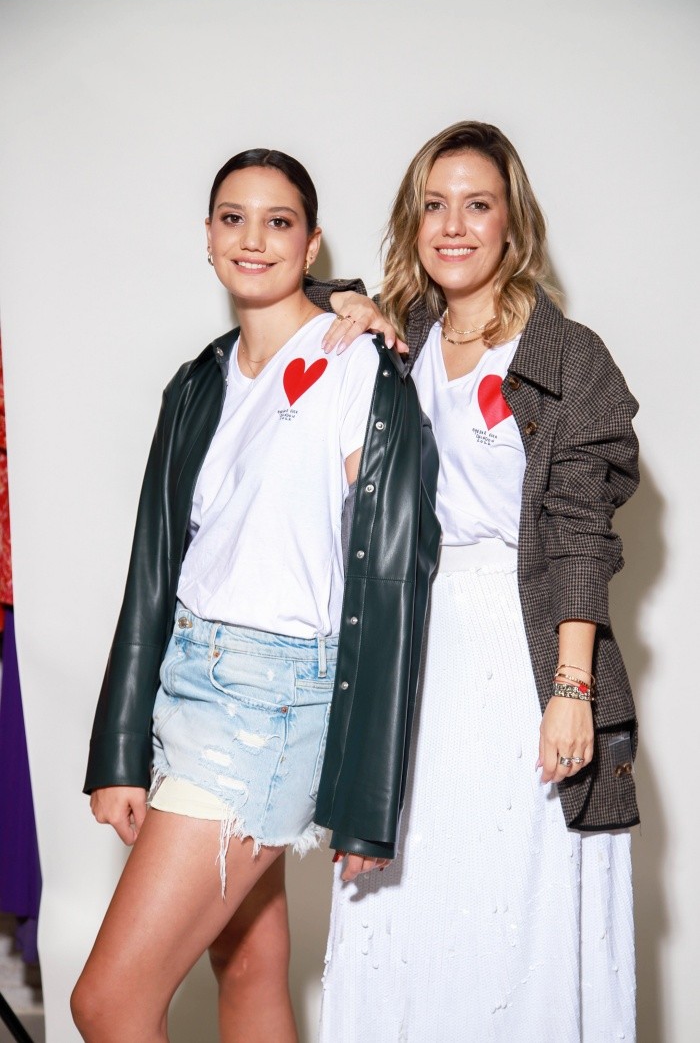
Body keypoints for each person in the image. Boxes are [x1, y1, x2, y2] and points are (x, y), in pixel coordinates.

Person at [70, 148, 439, 1043]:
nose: (253, 239)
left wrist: (369, 792)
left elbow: (395, 575)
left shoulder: (356, 362)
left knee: (106, 1003)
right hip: (188, 676)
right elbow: (155, 567)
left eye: (279, 222)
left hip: (267, 700)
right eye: (233, 218)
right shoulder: (201, 380)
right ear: (207, 237)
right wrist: (121, 745)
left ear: (312, 244)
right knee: (247, 966)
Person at [312, 121, 639, 1041]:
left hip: (523, 644)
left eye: (478, 205)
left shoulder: (567, 357)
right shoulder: (399, 339)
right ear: (412, 221)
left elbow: (581, 534)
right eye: (434, 205)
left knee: (515, 891)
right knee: (407, 888)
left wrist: (571, 690)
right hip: (412, 648)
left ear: (513, 223)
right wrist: (353, 305)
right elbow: (289, 287)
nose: (453, 225)